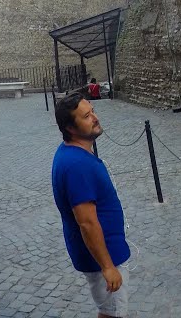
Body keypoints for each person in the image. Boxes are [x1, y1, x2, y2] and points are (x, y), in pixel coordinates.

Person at [51, 92, 131, 318]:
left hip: (105, 252)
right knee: (112, 313)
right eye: (86, 116)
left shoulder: (73, 154)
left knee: (109, 311)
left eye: (92, 111)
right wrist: (107, 266)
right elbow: (86, 223)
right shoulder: (77, 165)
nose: (95, 117)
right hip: (102, 257)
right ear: (71, 129)